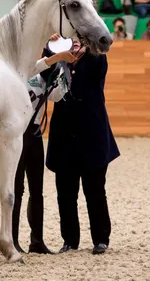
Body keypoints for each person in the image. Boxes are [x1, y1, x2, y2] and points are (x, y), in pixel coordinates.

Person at [44, 40, 120, 255]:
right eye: (72, 39)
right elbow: (43, 68)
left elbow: (99, 57)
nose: (76, 43)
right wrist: (54, 49)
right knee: (65, 194)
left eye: (80, 40)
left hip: (91, 134)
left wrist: (88, 46)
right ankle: (69, 240)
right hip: (64, 135)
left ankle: (101, 239)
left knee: (95, 190)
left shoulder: (95, 58)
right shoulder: (59, 61)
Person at [13, 33, 78, 254]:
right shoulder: (22, 70)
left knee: (36, 190)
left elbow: (58, 95)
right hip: (17, 135)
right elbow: (33, 67)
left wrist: (63, 70)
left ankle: (36, 240)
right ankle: (12, 239)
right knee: (16, 189)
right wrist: (52, 55)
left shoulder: (46, 78)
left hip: (35, 135)